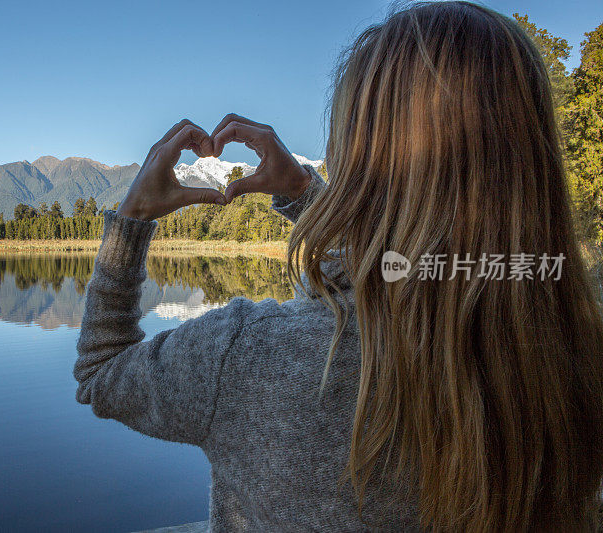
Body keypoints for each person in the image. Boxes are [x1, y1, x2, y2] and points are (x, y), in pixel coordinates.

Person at [74, 2, 603, 531]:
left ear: (356, 158)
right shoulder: (573, 352)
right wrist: (306, 195)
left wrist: (133, 217)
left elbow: (101, 371)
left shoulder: (249, 355)